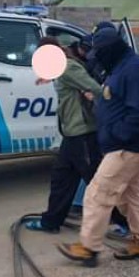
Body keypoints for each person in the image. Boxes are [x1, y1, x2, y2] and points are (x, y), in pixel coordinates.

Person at [58, 27, 139, 267]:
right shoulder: (122, 67)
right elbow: (120, 101)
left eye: (99, 52)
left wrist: (116, 135)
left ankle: (89, 248)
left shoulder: (133, 69)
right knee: (130, 196)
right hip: (134, 146)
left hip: (129, 147)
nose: (97, 58)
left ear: (110, 50)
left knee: (97, 193)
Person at [22, 37, 104, 233]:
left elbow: (95, 88)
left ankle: (124, 221)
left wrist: (96, 99)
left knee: (97, 181)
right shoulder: (60, 69)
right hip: (71, 134)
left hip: (83, 133)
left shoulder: (69, 67)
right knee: (62, 178)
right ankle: (51, 222)